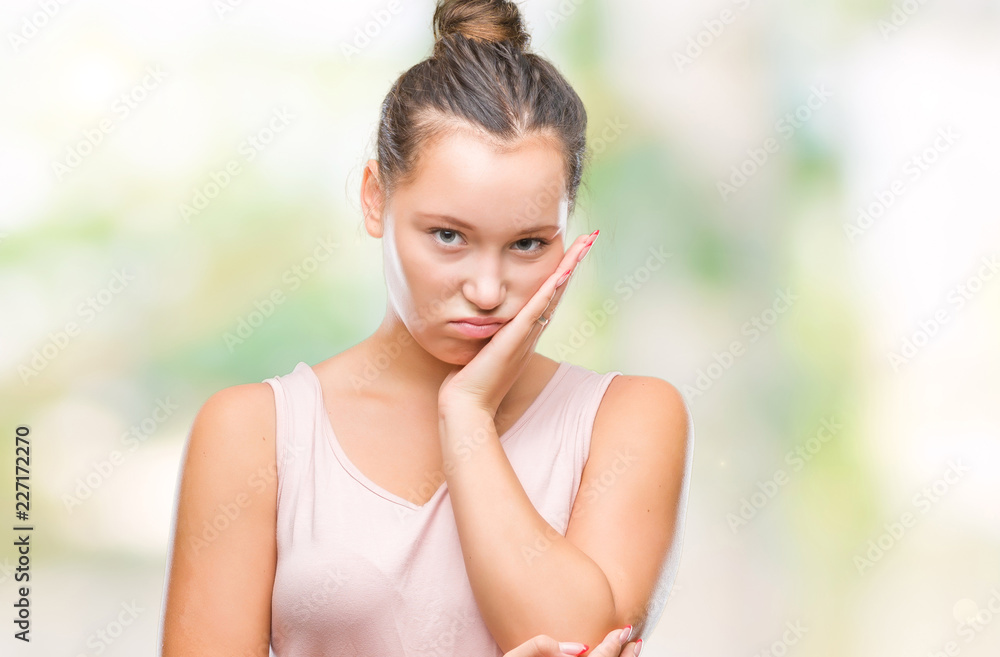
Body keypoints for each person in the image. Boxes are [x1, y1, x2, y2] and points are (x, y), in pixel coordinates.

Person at [158, 1, 693, 655]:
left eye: (527, 243)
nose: (489, 290)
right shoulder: (254, 432)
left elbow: (574, 637)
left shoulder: (628, 417)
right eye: (448, 235)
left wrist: (467, 413)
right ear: (374, 198)